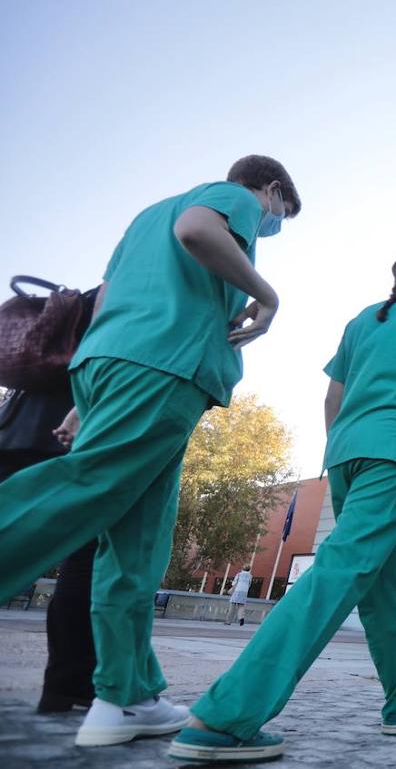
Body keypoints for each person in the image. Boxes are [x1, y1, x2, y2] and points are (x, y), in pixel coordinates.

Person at [0, 156, 300, 749]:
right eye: (280, 215)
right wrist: (267, 298)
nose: (271, 226)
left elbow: (106, 301)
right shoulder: (231, 195)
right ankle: (123, 692)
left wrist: (85, 399)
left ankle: (124, 696)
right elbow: (198, 230)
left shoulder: (143, 220)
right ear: (271, 190)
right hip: (164, 365)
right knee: (84, 488)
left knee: (137, 541)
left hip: (112, 363)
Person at [169, 247, 396, 763]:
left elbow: (331, 398)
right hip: (394, 454)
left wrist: (339, 447)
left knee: (382, 584)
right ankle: (225, 716)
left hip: (345, 458)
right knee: (338, 572)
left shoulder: (362, 321)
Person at [0, 283, 98, 713]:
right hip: (69, 435)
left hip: (15, 428)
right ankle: (69, 684)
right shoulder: (136, 297)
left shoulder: (79, 302)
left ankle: (70, 684)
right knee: (88, 557)